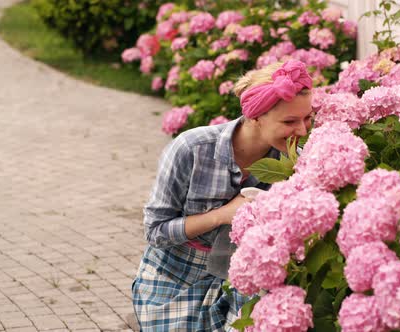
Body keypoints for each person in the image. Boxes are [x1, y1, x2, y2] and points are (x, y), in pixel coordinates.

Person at [132, 59, 314, 331]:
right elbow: (155, 232)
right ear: (255, 116)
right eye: (290, 121)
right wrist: (221, 216)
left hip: (245, 282)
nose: (302, 130)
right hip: (174, 278)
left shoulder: (295, 164)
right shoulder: (191, 149)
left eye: (307, 118)